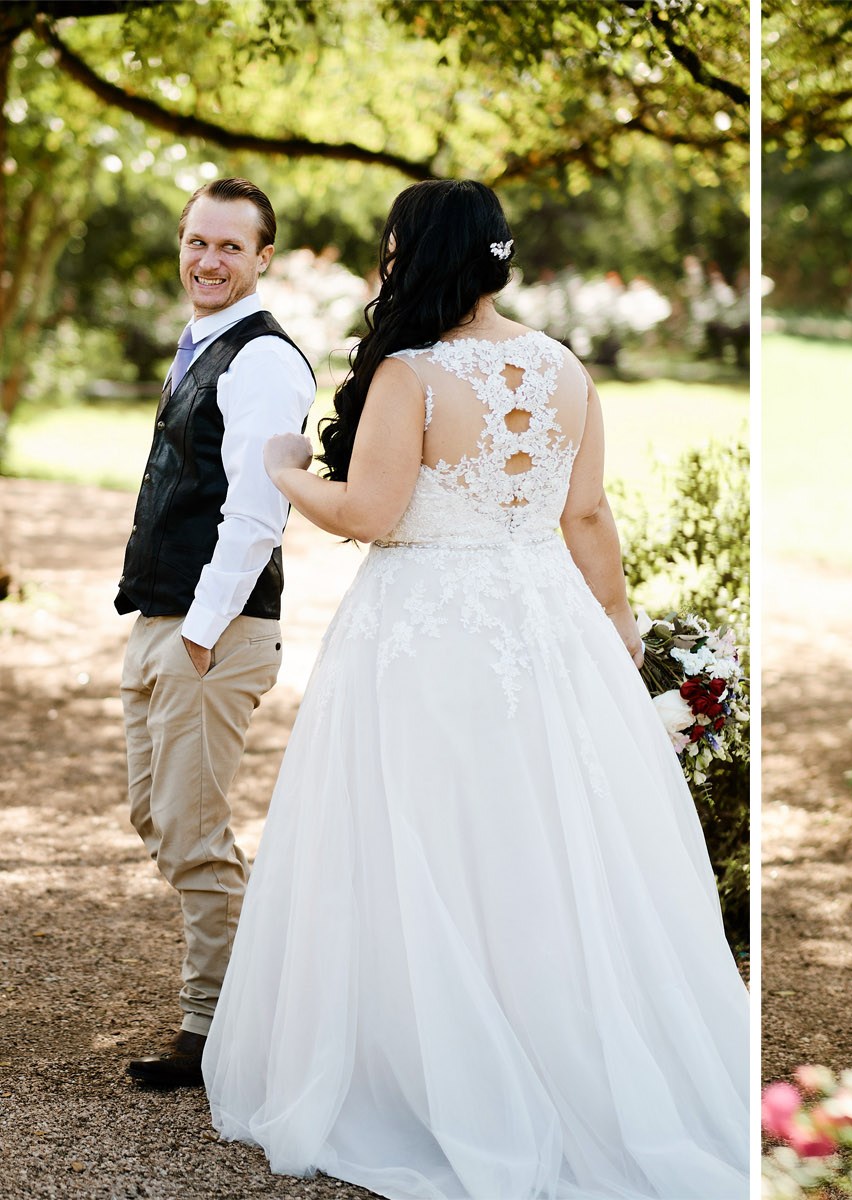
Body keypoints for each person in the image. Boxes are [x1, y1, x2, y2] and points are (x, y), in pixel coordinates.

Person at [201, 179, 750, 1199]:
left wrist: (282, 469)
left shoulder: (411, 374)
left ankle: (426, 1079)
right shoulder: (562, 366)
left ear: (416, 255)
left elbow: (366, 512)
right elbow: (586, 516)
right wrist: (618, 630)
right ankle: (554, 1052)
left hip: (425, 633)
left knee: (423, 840)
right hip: (544, 623)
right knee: (540, 842)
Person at [116, 177, 315, 1089]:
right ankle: (248, 992)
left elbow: (258, 509)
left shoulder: (264, 359)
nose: (209, 260)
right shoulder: (204, 343)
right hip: (163, 620)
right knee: (157, 815)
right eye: (199, 242)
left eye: (231, 247)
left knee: (193, 834)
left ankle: (215, 1031)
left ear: (263, 258)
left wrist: (199, 631)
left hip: (214, 631)